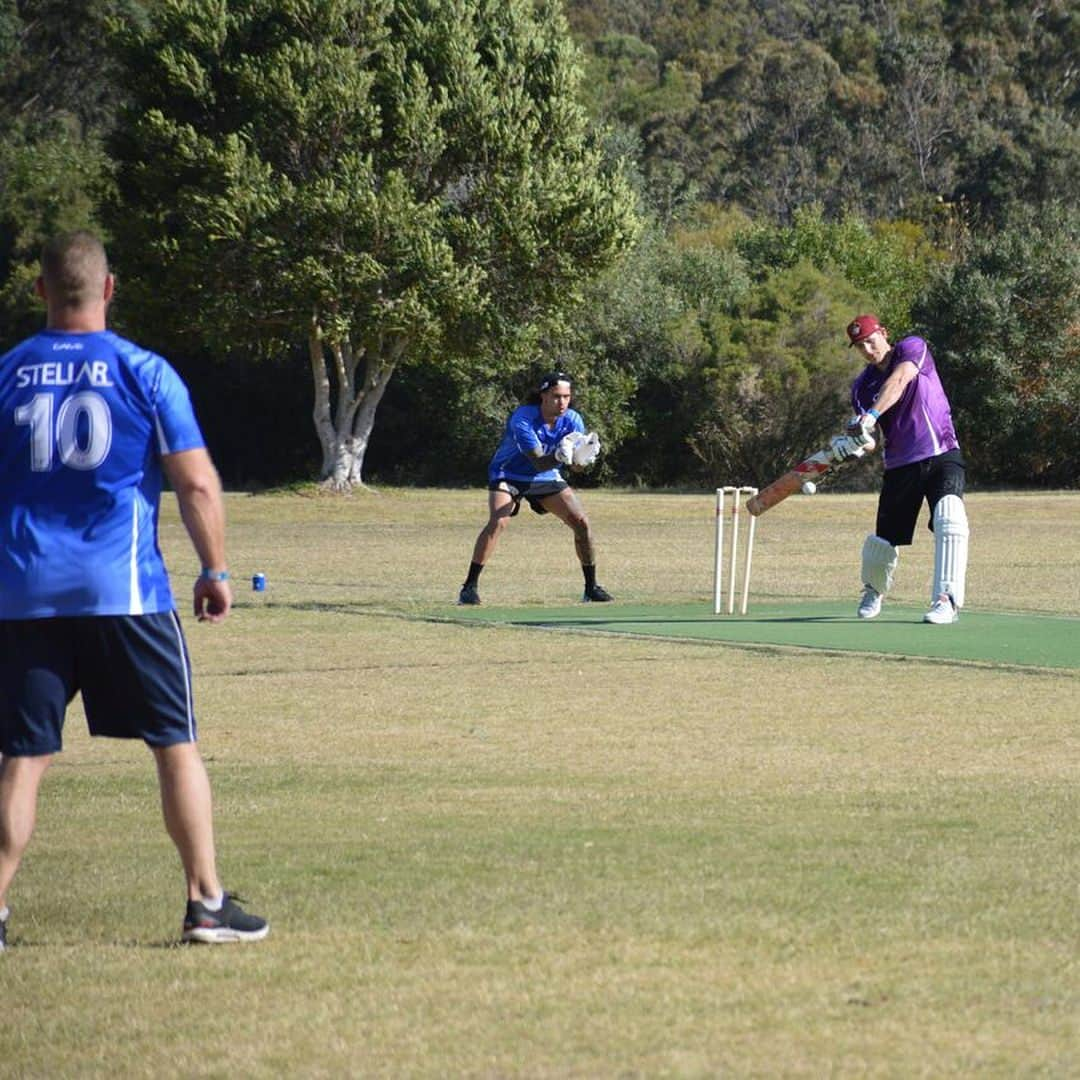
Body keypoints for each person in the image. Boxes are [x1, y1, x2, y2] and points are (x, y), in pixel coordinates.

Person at [0, 231, 268, 950]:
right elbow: (196, 481)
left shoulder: (6, 373)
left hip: (24, 596)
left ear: (40, 292)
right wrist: (213, 571)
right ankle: (206, 904)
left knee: (23, 755)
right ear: (110, 288)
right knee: (174, 744)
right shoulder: (144, 372)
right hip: (125, 594)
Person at [841, 314, 969, 625]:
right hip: (900, 465)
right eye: (861, 346)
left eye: (872, 340)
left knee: (950, 516)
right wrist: (855, 442)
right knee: (885, 540)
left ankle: (946, 600)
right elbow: (871, 440)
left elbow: (898, 382)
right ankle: (874, 589)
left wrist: (869, 415)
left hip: (942, 452)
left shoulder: (913, 347)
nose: (869, 350)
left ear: (884, 333)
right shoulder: (861, 387)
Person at [458, 372, 612, 605]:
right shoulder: (523, 417)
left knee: (581, 522)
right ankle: (469, 587)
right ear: (543, 396)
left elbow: (573, 468)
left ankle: (591, 588)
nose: (562, 402)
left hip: (546, 477)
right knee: (499, 521)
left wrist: (581, 461)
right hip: (509, 473)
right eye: (556, 396)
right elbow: (538, 461)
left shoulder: (573, 419)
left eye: (567, 397)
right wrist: (561, 455)